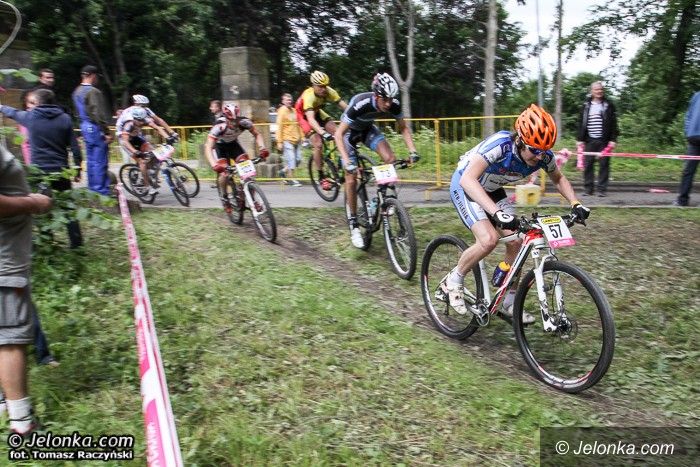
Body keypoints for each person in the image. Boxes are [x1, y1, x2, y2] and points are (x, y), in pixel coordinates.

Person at [442, 104, 590, 323]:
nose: (539, 156)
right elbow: (468, 180)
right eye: (534, 150)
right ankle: (453, 281)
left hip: (492, 189)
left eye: (544, 151)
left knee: (518, 242)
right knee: (488, 240)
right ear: (520, 140)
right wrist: (496, 213)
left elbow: (558, 178)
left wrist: (575, 203)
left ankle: (509, 303)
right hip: (466, 185)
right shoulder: (501, 146)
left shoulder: (543, 156)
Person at [0, 143, 53, 436]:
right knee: (10, 339)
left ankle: (3, 402)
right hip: (4, 261)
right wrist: (33, 203)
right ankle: (22, 424)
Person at [335, 73, 420, 248]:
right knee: (351, 178)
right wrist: (347, 162)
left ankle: (379, 198)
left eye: (391, 99)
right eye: (384, 99)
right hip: (349, 134)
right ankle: (354, 224)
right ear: (376, 95)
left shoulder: (393, 104)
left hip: (367, 130)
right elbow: (338, 134)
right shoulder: (360, 103)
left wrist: (412, 151)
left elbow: (404, 128)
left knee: (390, 158)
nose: (388, 104)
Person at [204, 103, 269, 200]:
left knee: (248, 173)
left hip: (233, 145)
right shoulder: (219, 126)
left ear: (238, 117)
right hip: (219, 147)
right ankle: (224, 196)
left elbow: (257, 134)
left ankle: (251, 199)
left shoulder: (244, 122)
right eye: (231, 120)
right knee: (224, 174)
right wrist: (214, 164)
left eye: (235, 120)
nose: (234, 123)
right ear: (226, 118)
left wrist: (262, 148)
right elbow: (208, 147)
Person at [294, 71, 348, 186]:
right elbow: (311, 119)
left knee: (339, 132)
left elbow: (345, 107)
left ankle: (341, 163)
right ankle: (321, 175)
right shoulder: (309, 96)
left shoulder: (330, 91)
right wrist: (322, 132)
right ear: (313, 85)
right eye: (320, 86)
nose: (323, 89)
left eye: (325, 86)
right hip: (304, 116)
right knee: (318, 144)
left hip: (317, 112)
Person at [72, 65, 113, 196]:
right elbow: (97, 114)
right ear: (93, 75)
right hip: (94, 127)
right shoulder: (93, 91)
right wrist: (106, 132)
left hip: (84, 126)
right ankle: (101, 191)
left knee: (90, 160)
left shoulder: (76, 91)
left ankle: (92, 189)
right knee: (100, 160)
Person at [576, 81, 619, 197]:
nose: (599, 91)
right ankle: (588, 189)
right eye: (596, 89)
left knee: (604, 164)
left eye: (601, 89)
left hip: (604, 140)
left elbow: (614, 123)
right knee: (588, 164)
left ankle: (601, 190)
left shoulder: (608, 105)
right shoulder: (585, 105)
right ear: (592, 91)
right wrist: (579, 139)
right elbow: (580, 123)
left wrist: (613, 139)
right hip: (589, 140)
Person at [118, 107, 172, 195]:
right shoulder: (129, 125)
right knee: (142, 162)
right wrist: (135, 151)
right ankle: (148, 187)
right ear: (134, 119)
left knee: (154, 153)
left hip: (136, 138)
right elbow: (125, 141)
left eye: (142, 120)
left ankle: (149, 173)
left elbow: (157, 128)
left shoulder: (144, 120)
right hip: (126, 142)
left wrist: (168, 137)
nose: (141, 122)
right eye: (139, 120)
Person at [116, 94, 178, 163]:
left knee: (152, 153)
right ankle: (140, 166)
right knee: (141, 161)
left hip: (135, 134)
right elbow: (125, 140)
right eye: (143, 105)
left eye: (145, 105)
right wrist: (135, 151)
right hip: (123, 136)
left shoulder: (144, 110)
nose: (145, 107)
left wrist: (170, 135)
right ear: (136, 104)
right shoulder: (129, 116)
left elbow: (158, 122)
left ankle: (150, 167)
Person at [675, 91, 700, 207]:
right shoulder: (696, 95)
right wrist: (688, 131)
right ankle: (682, 200)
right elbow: (689, 114)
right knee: (688, 170)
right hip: (693, 138)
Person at [276, 93, 303, 186]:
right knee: (291, 159)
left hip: (297, 139)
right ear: (283, 101)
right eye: (287, 100)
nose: (289, 101)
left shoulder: (294, 110)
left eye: (290, 100)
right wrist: (279, 142)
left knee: (298, 159)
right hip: (287, 139)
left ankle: (283, 171)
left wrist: (302, 136)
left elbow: (299, 124)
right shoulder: (281, 111)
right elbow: (279, 127)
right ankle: (292, 179)